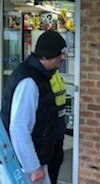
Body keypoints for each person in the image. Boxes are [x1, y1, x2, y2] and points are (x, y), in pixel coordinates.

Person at [0, 30, 66, 184]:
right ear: (45, 56)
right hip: (21, 167)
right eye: (59, 54)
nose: (62, 58)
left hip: (30, 161)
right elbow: (19, 128)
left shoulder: (39, 76)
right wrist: (33, 167)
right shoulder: (29, 82)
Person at [48, 70, 67, 184]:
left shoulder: (56, 73)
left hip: (59, 125)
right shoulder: (46, 75)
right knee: (52, 160)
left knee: (58, 158)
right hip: (50, 124)